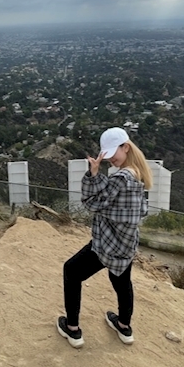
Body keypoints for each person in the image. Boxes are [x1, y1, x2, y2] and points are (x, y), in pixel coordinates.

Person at [57, 127, 152, 348]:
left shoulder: (120, 178)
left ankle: (72, 329)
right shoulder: (137, 174)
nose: (111, 160)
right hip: (127, 243)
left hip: (107, 243)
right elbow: (137, 209)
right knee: (121, 280)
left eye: (113, 154)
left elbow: (93, 203)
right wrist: (98, 175)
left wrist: (93, 175)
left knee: (71, 271)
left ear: (125, 147)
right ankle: (124, 326)